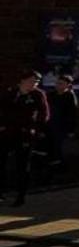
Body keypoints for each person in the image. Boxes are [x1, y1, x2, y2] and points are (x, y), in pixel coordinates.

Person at [3, 70, 48, 207]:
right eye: (31, 81)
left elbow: (44, 114)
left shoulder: (38, 95)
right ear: (23, 80)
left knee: (22, 165)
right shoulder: (11, 92)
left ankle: (20, 195)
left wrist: (35, 128)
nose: (33, 84)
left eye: (36, 82)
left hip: (25, 134)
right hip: (7, 132)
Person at [42, 73, 77, 172]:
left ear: (67, 85)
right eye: (57, 83)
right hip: (50, 123)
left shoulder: (69, 96)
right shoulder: (50, 95)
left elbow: (72, 114)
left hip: (61, 125)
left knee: (57, 145)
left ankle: (58, 165)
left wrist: (71, 129)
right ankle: (49, 163)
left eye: (61, 84)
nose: (58, 85)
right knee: (48, 144)